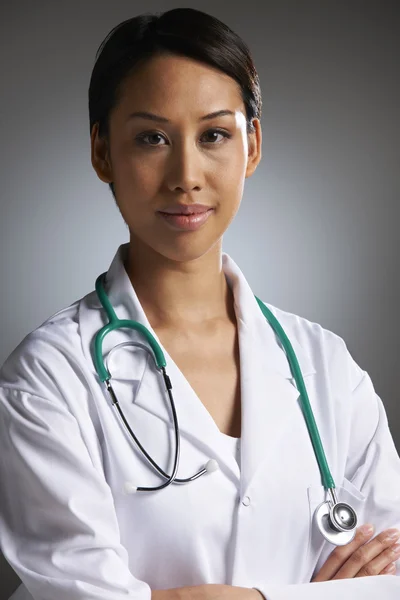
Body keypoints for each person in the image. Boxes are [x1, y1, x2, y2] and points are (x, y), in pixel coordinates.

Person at [0, 8, 399, 600]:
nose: (186, 175)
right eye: (152, 138)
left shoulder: (327, 368)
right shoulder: (50, 375)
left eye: (214, 135)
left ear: (252, 147)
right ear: (102, 151)